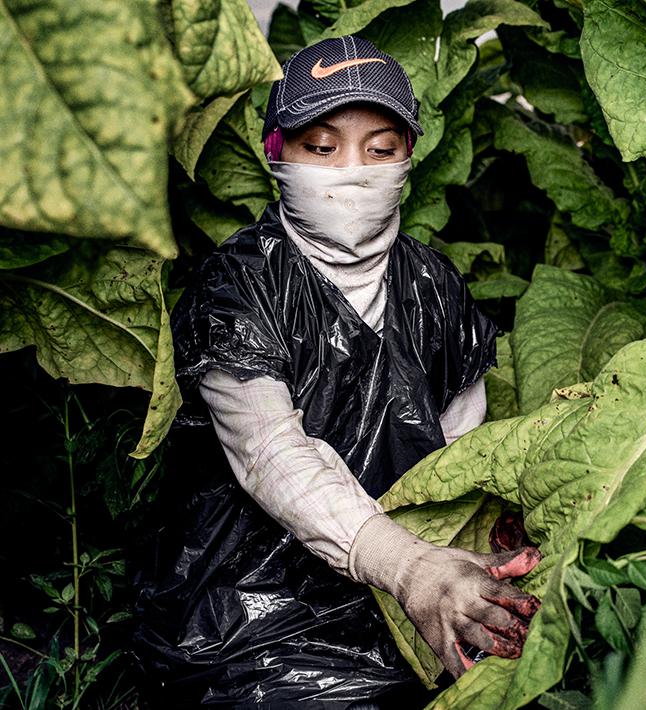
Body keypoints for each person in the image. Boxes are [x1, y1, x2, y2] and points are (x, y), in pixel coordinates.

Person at [133, 35, 540, 707]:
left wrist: (471, 558)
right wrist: (407, 567)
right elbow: (271, 452)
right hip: (250, 615)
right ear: (275, 153)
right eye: (321, 149)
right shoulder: (239, 286)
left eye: (380, 149)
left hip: (408, 587)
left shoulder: (434, 284)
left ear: (409, 155)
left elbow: (464, 452)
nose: (352, 172)